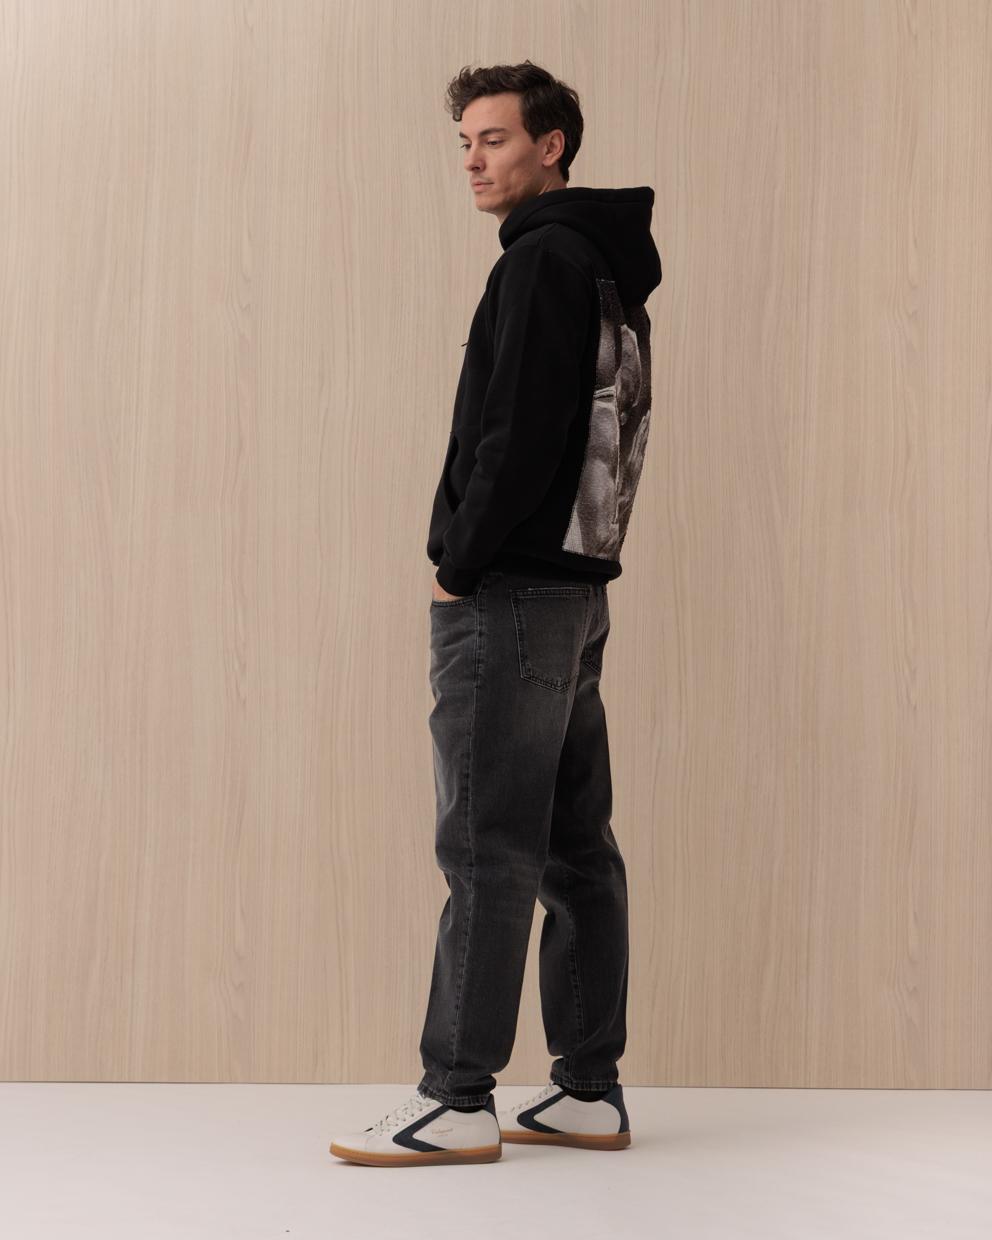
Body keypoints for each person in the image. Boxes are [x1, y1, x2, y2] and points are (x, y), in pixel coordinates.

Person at [330, 58, 662, 1167]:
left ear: (551, 145)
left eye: (495, 139)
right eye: (464, 143)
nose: (473, 161)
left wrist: (458, 564)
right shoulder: (601, 262)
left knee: (485, 844)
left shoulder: (541, 262)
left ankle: (458, 1094)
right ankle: (587, 1089)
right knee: (573, 844)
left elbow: (516, 435)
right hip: (575, 588)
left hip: (512, 589)